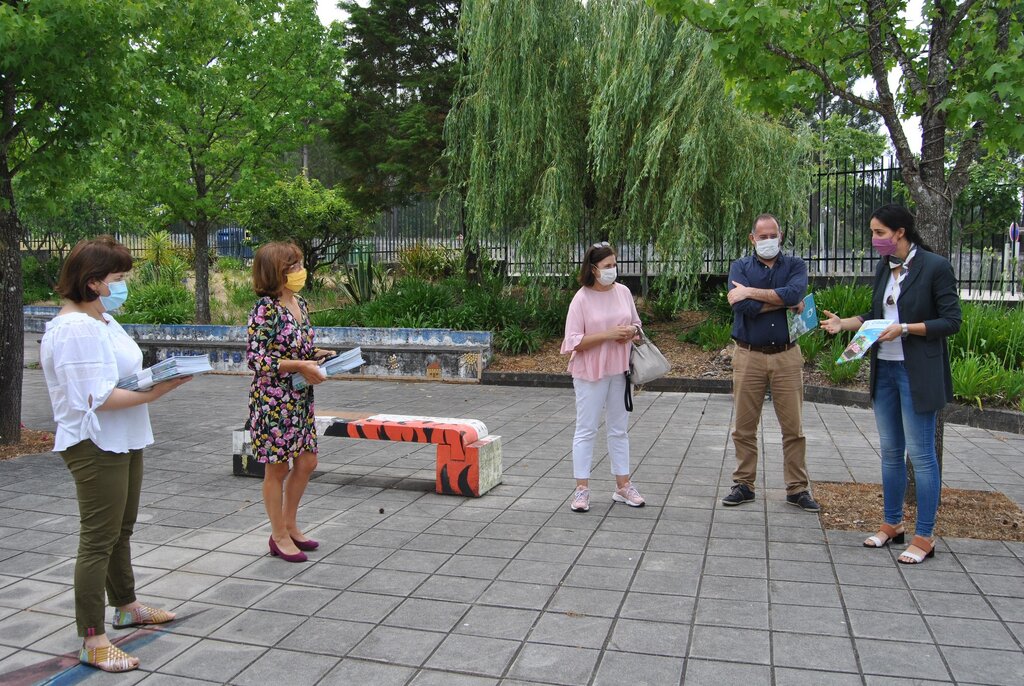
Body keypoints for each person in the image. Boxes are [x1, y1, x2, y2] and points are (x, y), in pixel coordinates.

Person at [40, 237, 189, 673]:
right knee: (97, 539)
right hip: (95, 443)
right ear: (93, 282)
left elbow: (121, 375)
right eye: (118, 278)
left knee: (121, 529)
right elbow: (96, 398)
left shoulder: (101, 318)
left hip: (124, 436)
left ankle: (126, 606)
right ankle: (93, 638)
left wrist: (158, 377)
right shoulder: (74, 328)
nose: (122, 285)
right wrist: (158, 391)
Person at [821, 204, 961, 564]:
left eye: (879, 232)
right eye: (872, 232)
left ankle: (924, 536)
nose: (874, 239)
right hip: (884, 370)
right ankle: (892, 524)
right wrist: (843, 324)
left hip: (917, 374)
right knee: (890, 452)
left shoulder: (935, 267)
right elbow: (877, 316)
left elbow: (951, 321)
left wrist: (906, 329)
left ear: (900, 232)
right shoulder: (885, 267)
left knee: (922, 456)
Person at [721, 214, 820, 511]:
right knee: (743, 426)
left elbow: (795, 293)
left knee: (793, 428)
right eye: (762, 236)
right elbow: (742, 306)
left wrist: (750, 291)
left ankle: (797, 488)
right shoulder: (740, 267)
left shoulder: (795, 265)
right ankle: (743, 484)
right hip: (748, 354)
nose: (768, 241)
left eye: (772, 235)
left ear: (780, 236)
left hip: (786, 355)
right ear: (752, 238)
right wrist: (782, 302)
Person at [247, 242, 334, 562]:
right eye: (293, 267)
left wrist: (318, 355)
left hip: (299, 397)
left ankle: (291, 525)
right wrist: (298, 365)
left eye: (299, 265)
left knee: (308, 461)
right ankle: (278, 535)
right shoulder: (265, 309)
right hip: (273, 401)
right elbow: (256, 359)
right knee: (278, 468)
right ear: (275, 273)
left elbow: (299, 348)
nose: (300, 271)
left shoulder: (300, 303)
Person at [561, 241, 645, 512]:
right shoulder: (581, 298)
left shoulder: (623, 292)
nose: (613, 270)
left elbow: (638, 325)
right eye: (607, 266)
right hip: (590, 372)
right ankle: (581, 489)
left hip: (620, 370)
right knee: (586, 429)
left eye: (614, 264)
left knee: (619, 430)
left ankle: (623, 485)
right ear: (593, 269)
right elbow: (573, 341)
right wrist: (608, 334)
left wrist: (631, 332)